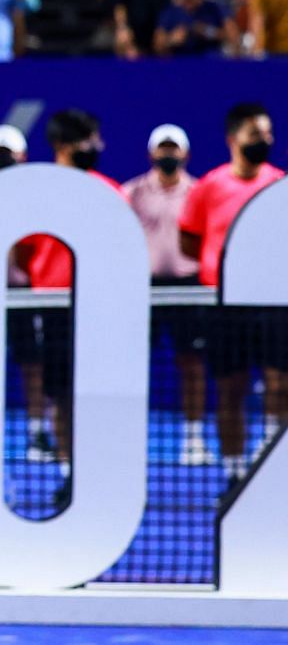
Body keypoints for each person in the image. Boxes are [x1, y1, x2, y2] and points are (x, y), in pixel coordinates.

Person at [13, 110, 125, 510]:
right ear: (62, 146)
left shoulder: (112, 192)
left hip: (100, 310)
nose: (98, 148)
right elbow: (22, 252)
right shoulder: (38, 193)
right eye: (89, 140)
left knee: (98, 396)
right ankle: (69, 475)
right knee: (62, 397)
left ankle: (100, 472)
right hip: (55, 307)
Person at [179, 102, 285, 495]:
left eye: (268, 134)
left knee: (280, 384)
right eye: (256, 134)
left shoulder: (279, 185)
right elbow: (190, 241)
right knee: (231, 388)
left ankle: (274, 463)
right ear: (233, 139)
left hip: (273, 302)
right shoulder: (209, 186)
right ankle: (236, 472)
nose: (266, 141)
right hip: (225, 304)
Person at [124, 123, 209, 465]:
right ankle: (128, 437)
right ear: (151, 154)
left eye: (174, 148)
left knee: (191, 364)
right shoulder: (132, 193)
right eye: (163, 148)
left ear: (185, 154)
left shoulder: (199, 192)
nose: (168, 154)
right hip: (144, 290)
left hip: (188, 289)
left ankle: (193, 439)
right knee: (132, 368)